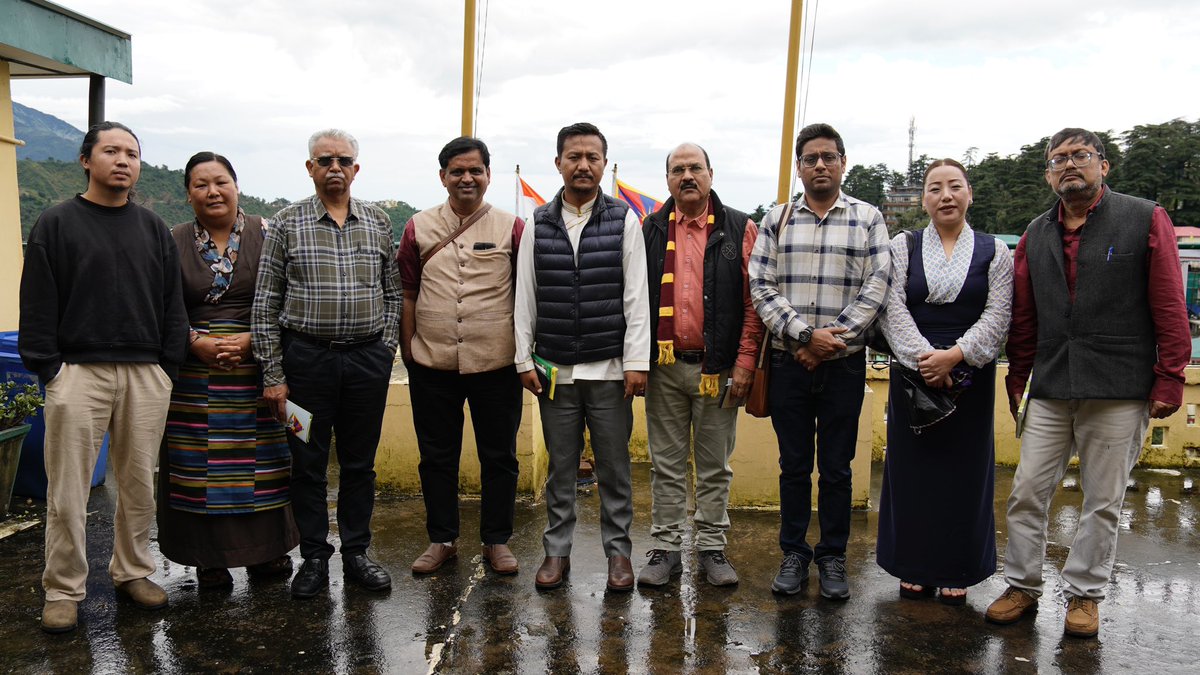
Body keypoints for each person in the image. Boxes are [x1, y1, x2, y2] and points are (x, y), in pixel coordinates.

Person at [986, 128, 1190, 638]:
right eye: (1058, 159)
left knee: (1102, 500)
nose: (1070, 165)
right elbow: (1025, 316)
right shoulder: (1035, 233)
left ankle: (1084, 594)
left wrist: (1170, 377)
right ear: (1048, 175)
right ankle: (1021, 585)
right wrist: (1018, 377)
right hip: (1052, 383)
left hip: (1120, 384)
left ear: (1104, 165)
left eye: (1081, 155)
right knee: (1027, 492)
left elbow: (1169, 302)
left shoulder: (1144, 217)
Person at [19, 121, 188, 633]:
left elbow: (172, 303)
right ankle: (63, 589)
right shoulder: (57, 222)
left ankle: (133, 571)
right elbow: (38, 301)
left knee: (137, 483)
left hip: (145, 373)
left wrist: (166, 368)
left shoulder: (153, 227)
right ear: (85, 160)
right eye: (111, 151)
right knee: (67, 490)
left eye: (132, 153)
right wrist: (50, 369)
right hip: (77, 372)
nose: (123, 161)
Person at [251, 129, 401, 598]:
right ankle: (314, 557)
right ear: (310, 168)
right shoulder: (286, 223)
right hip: (305, 364)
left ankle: (357, 553)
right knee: (307, 461)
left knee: (360, 463)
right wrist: (274, 375)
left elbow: (393, 293)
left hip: (366, 363)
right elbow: (265, 303)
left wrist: (385, 350)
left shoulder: (377, 221)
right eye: (325, 160)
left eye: (343, 160)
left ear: (356, 168)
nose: (334, 167)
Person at [748, 122, 891, 600]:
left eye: (829, 157)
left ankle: (832, 557)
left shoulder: (868, 218)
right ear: (799, 167)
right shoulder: (777, 219)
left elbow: (877, 286)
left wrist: (831, 341)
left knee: (836, 468)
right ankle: (793, 553)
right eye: (811, 159)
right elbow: (761, 286)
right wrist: (806, 336)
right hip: (789, 363)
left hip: (844, 365)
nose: (820, 165)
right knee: (793, 466)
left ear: (843, 163)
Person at [513, 122, 651, 592]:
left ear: (604, 164)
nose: (583, 165)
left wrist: (636, 363)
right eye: (574, 156)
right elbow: (526, 296)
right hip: (556, 370)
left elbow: (636, 297)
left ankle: (619, 554)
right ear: (559, 163)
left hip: (609, 369)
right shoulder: (538, 223)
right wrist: (523, 359)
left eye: (593, 157)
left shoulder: (623, 220)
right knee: (561, 468)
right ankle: (557, 551)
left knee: (614, 469)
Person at [157, 152, 299, 589]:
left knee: (266, 461)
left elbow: (295, 295)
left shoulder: (269, 232)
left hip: (260, 368)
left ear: (237, 186)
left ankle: (267, 551)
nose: (212, 191)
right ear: (188, 194)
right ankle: (208, 558)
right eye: (200, 184)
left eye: (221, 182)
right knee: (197, 466)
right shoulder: (172, 239)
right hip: (193, 374)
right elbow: (159, 303)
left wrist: (253, 339)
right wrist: (193, 341)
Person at [876, 159, 1013, 605]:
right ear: (924, 200)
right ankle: (913, 565)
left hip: (969, 372)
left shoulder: (995, 251)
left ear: (970, 194)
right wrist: (925, 360)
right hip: (913, 371)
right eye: (935, 188)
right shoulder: (903, 245)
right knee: (912, 471)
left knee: (964, 473)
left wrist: (954, 356)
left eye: (955, 186)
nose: (946, 195)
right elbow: (891, 306)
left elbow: (999, 313)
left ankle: (959, 567)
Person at [636, 143, 763, 588]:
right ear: (667, 180)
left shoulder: (740, 227)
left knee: (714, 467)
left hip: (719, 369)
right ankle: (666, 548)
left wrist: (745, 362)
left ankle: (711, 547)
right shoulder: (650, 228)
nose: (687, 176)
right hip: (664, 368)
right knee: (666, 465)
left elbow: (753, 304)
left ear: (711, 173)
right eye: (678, 170)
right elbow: (635, 299)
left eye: (695, 168)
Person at [397, 137, 523, 576]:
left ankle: (497, 541)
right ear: (443, 177)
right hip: (431, 364)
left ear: (488, 175)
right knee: (436, 457)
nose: (466, 178)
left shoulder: (512, 228)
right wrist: (410, 350)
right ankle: (442, 539)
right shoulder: (417, 227)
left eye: (475, 170)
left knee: (500, 456)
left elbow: (526, 295)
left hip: (497, 363)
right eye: (457, 171)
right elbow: (407, 292)